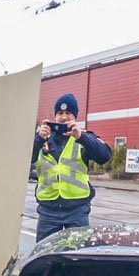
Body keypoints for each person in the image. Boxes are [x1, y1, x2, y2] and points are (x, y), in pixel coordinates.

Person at [32, 93, 112, 241]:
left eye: (68, 113)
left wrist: (81, 137)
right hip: (47, 211)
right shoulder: (42, 138)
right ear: (55, 116)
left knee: (76, 258)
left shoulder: (84, 137)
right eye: (60, 113)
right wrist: (38, 139)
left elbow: (104, 156)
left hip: (77, 210)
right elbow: (23, 160)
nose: (64, 117)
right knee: (45, 258)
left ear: (75, 116)